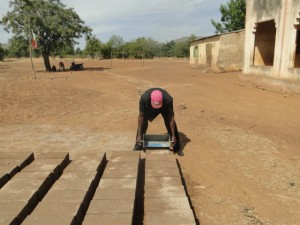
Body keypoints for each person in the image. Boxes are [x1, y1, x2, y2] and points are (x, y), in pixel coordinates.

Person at [133, 88, 184, 156]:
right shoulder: (144, 99)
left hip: (164, 107)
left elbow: (171, 118)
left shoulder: (168, 100)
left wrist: (173, 135)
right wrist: (139, 134)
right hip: (149, 107)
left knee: (170, 123)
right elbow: (141, 116)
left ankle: (177, 147)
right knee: (143, 123)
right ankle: (138, 144)